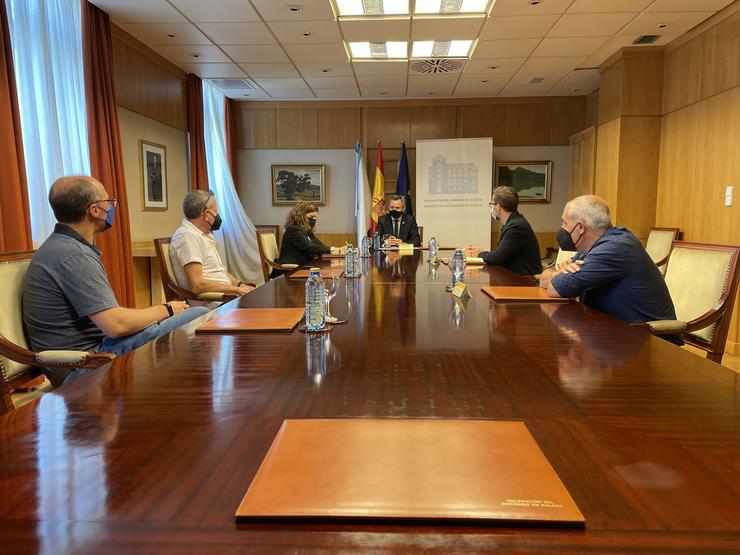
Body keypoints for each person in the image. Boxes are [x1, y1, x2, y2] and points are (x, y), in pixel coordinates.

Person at [22, 176, 210, 386]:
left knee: (178, 324)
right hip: (85, 366)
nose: (111, 208)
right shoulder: (73, 254)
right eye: (107, 202)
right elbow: (115, 325)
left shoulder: (64, 246)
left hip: (91, 353)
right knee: (200, 315)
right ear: (95, 210)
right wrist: (166, 310)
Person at [539, 195, 681, 344]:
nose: (562, 228)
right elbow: (544, 278)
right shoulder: (591, 247)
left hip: (648, 342)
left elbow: (555, 289)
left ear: (580, 227)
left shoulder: (615, 247)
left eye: (565, 222)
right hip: (616, 334)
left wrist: (557, 277)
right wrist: (558, 273)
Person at [169, 189, 255, 297]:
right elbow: (197, 285)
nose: (217, 215)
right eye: (215, 211)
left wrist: (240, 285)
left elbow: (218, 272)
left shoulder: (202, 234)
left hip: (227, 297)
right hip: (214, 303)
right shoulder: (187, 237)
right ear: (207, 214)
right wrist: (236, 290)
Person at [464, 186, 542, 275]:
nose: (491, 208)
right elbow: (501, 254)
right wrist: (480, 251)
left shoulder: (516, 227)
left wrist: (479, 253)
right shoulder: (514, 223)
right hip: (515, 277)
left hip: (525, 281)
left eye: (492, 204)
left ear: (497, 207)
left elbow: (497, 258)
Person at [271, 201, 345, 278]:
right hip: (290, 270)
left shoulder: (306, 231)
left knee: (333, 275)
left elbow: (320, 247)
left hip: (302, 267)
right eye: (311, 217)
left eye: (315, 217)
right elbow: (310, 248)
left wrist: (338, 250)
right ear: (301, 216)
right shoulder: (293, 230)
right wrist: (337, 250)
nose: (314, 220)